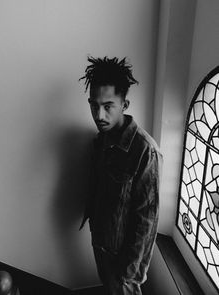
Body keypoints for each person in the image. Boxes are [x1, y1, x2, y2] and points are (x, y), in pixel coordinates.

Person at [79, 56, 162, 295]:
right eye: (93, 105)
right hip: (102, 242)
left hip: (124, 263)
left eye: (107, 106)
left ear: (124, 105)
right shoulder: (101, 140)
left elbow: (147, 220)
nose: (99, 115)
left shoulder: (145, 151)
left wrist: (130, 275)